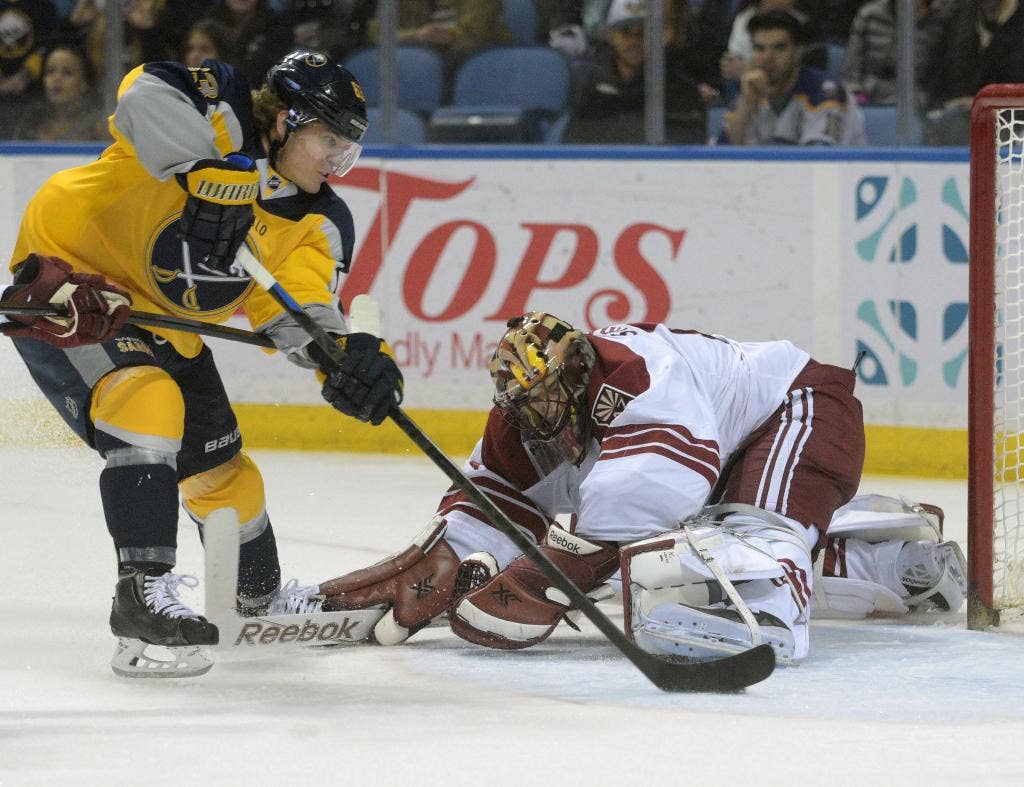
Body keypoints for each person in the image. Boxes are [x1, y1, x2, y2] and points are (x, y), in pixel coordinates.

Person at [0, 49, 404, 678]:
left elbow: (297, 312)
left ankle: (256, 599)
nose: (336, 159)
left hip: (168, 327)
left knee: (225, 477)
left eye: (346, 146)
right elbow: (142, 92)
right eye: (328, 138)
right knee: (147, 398)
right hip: (75, 281)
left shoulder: (319, 219)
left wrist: (344, 360)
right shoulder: (224, 110)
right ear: (284, 121)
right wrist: (204, 168)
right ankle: (141, 593)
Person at [317, 312, 966, 662]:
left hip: (797, 410)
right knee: (680, 568)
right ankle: (901, 563)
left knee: (746, 561)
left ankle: (780, 605)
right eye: (524, 403)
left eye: (548, 395)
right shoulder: (519, 415)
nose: (538, 414)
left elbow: (654, 496)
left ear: (579, 369)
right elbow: (494, 506)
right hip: (716, 464)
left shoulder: (636, 374)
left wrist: (544, 578)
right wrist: (442, 563)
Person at [563, 0, 707, 145]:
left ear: (659, 37)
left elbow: (689, 153)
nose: (634, 41)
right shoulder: (593, 92)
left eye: (643, 32)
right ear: (610, 35)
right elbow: (573, 148)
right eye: (625, 32)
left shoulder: (682, 93)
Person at [719, 9, 866, 145]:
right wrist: (747, 103)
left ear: (797, 52)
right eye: (759, 49)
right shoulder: (749, 93)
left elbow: (818, 161)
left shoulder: (826, 92)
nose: (767, 58)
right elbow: (721, 158)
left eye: (779, 48)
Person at [920, 0, 1024, 145]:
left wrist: (986, 106)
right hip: (957, 137)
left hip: (1014, 141)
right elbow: (935, 81)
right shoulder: (955, 18)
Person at [840, 0, 952, 106]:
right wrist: (859, 99)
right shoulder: (869, 15)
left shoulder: (943, 19)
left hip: (922, 103)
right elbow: (851, 72)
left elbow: (944, 74)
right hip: (871, 100)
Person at [11, 42, 107, 141]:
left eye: (67, 73)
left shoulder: (97, 126)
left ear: (84, 83)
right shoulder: (31, 122)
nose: (56, 78)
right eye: (50, 71)